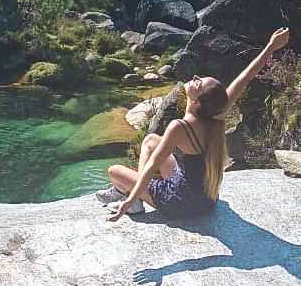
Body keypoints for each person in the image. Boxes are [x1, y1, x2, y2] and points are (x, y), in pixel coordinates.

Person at [95, 27, 291, 222]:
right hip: (206, 200)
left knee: (114, 171)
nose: (196, 78)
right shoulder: (215, 115)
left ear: (198, 101)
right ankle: (135, 195)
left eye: (199, 83)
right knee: (150, 140)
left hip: (181, 204)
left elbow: (152, 166)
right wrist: (271, 46)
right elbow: (244, 78)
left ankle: (132, 199)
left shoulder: (180, 127)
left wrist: (127, 203)